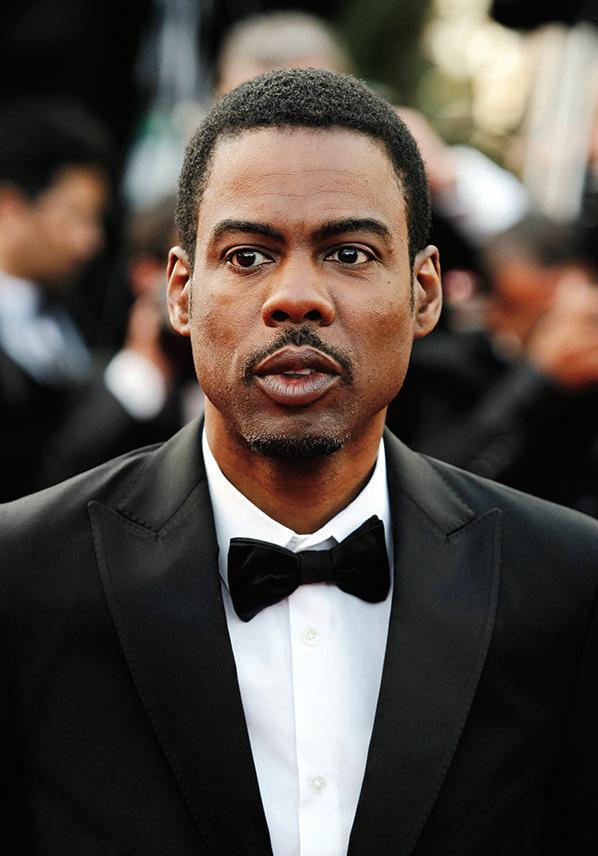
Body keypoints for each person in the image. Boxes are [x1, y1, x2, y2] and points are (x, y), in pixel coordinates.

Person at [1, 69, 597, 855]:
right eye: (248, 255)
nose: (296, 297)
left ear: (424, 293)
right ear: (180, 293)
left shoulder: (567, 583)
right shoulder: (24, 576)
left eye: (348, 252)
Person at [0, 101, 183, 500]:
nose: (91, 240)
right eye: (75, 215)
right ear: (9, 209)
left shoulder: (75, 311)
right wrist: (133, 377)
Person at [390, 215, 598, 516]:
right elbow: (435, 486)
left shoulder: (587, 374)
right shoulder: (441, 366)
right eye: (516, 306)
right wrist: (538, 374)